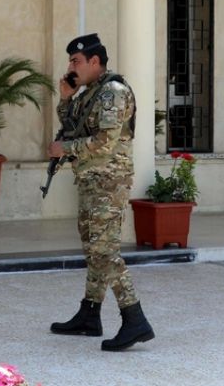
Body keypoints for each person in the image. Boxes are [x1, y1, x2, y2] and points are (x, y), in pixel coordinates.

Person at [47, 33, 154, 351]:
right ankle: (90, 314)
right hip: (92, 181)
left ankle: (134, 318)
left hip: (109, 182)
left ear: (95, 62)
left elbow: (104, 142)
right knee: (94, 249)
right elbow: (74, 127)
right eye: (70, 61)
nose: (71, 67)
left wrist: (63, 148)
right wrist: (66, 98)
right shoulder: (89, 93)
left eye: (76, 61)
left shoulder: (113, 92)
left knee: (106, 251)